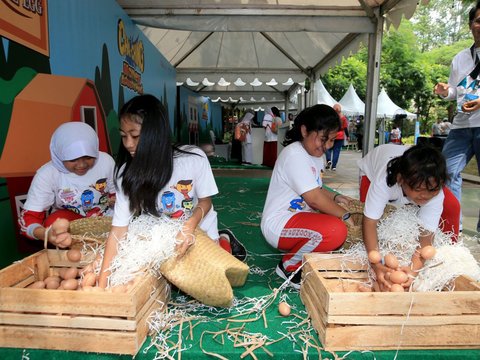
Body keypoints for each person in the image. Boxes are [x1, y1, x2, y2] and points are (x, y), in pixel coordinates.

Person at [99, 95, 246, 287]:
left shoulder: (193, 159)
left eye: (135, 136)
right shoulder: (126, 172)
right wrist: (102, 283)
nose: (128, 144)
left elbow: (205, 202)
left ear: (155, 134)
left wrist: (189, 228)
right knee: (147, 276)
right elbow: (118, 229)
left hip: (197, 228)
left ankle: (223, 239)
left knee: (212, 282)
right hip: (162, 239)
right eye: (123, 135)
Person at [261, 104, 355, 289]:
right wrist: (344, 214)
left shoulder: (314, 155)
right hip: (279, 224)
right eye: (323, 139)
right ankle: (289, 266)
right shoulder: (294, 154)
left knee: (331, 226)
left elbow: (316, 188)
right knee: (335, 230)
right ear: (304, 131)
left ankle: (298, 256)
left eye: (332, 140)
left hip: (297, 220)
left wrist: (335, 197)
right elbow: (314, 198)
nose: (327, 146)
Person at [358, 143, 461, 291]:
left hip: (414, 173)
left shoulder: (434, 194)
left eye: (431, 190)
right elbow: (369, 222)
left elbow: (425, 238)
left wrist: (413, 270)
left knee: (450, 205)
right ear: (401, 180)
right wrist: (377, 264)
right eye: (418, 190)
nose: (425, 195)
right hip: (371, 171)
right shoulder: (384, 181)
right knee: (376, 215)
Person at [18, 122, 116, 248]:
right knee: (53, 222)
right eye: (72, 159)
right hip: (71, 224)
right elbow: (29, 218)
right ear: (59, 155)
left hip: (106, 218)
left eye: (88, 157)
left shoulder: (106, 161)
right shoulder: (47, 174)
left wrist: (116, 200)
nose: (81, 165)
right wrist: (47, 234)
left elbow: (117, 194)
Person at [434, 1, 480, 234]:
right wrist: (445, 91)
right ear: (471, 25)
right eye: (478, 20)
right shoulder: (461, 58)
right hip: (461, 125)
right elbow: (454, 91)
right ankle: (454, 226)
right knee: (448, 171)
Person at [325, 103, 349, 171]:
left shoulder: (330, 117)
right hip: (340, 136)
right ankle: (334, 166)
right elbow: (345, 128)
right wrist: (348, 136)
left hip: (331, 134)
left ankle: (328, 160)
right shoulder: (343, 118)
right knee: (336, 151)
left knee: (328, 148)